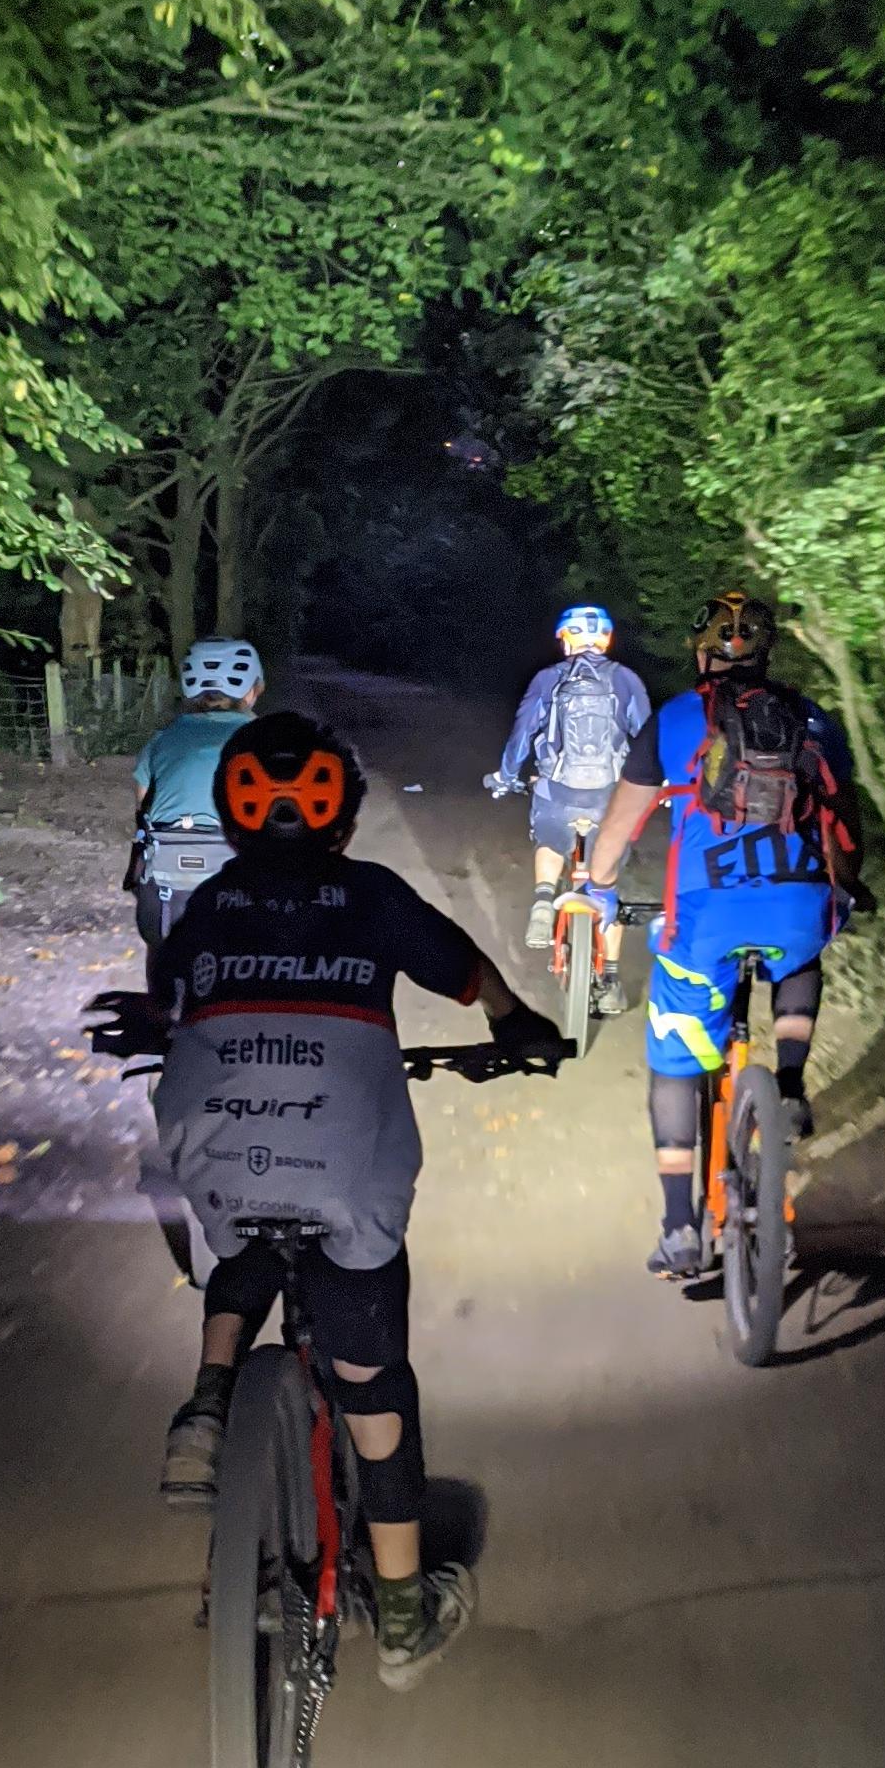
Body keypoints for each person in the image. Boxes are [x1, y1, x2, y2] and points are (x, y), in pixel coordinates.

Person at [89, 707, 564, 1689]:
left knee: (232, 1225)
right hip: (343, 1166)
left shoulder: (210, 904)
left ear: (232, 817)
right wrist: (518, 1028)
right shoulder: (374, 896)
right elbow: (469, 974)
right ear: (342, 816)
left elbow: (162, 1006)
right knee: (373, 1379)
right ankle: (400, 1618)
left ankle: (211, 1399)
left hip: (220, 1152)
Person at [582, 587, 856, 1279]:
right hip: (799, 904)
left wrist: (599, 889)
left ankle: (679, 1228)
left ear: (702, 654)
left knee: (675, 1058)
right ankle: (789, 1084)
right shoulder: (814, 719)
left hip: (704, 923)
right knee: (805, 945)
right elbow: (846, 824)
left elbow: (616, 833)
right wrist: (841, 895)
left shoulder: (674, 720)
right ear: (766, 653)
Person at [485, 602, 652, 976]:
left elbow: (522, 733)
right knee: (607, 884)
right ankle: (609, 976)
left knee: (549, 833)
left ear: (565, 639)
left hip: (558, 793)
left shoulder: (548, 679)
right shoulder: (627, 680)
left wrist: (506, 775)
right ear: (606, 639)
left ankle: (544, 899)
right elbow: (647, 739)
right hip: (610, 798)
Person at [126, 637, 265, 943]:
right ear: (252, 691)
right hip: (240, 885)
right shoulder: (265, 742)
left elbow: (143, 810)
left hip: (167, 891)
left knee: (162, 954)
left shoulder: (161, 740)